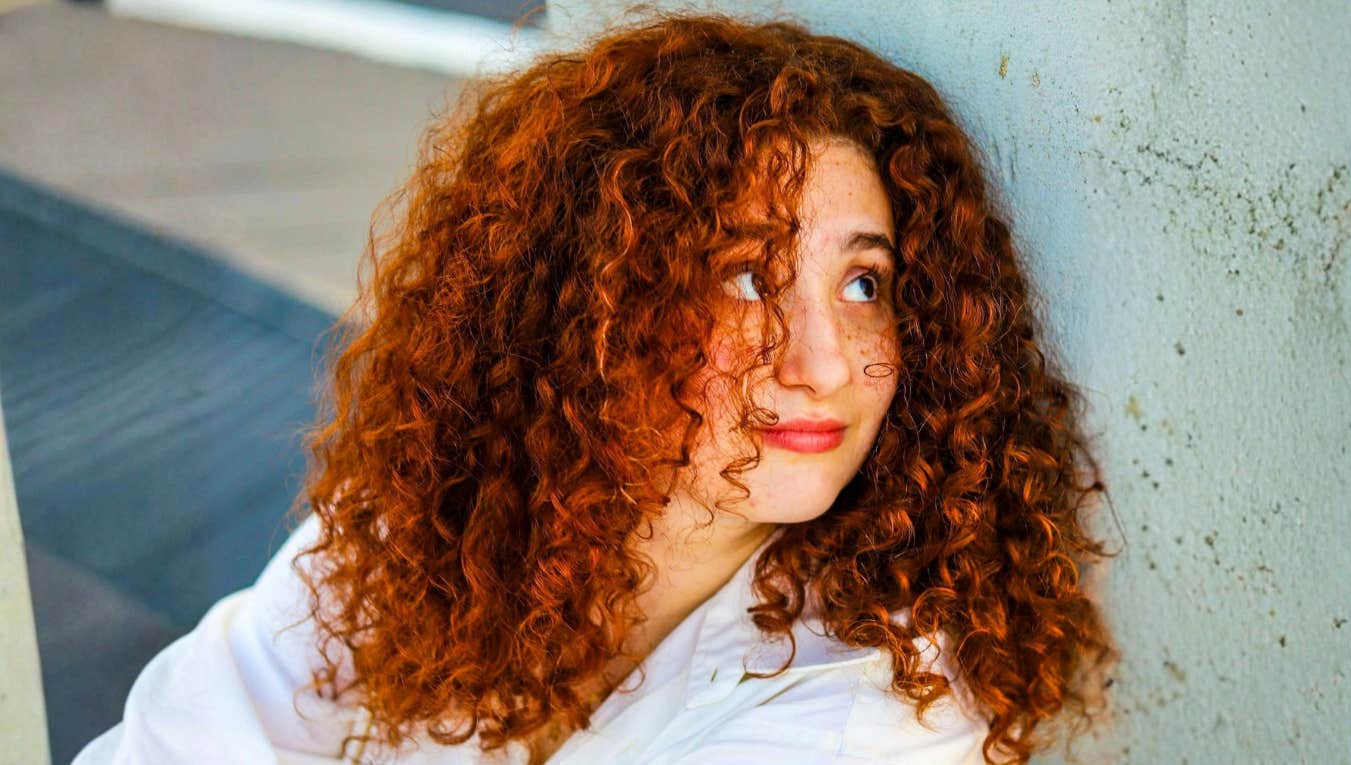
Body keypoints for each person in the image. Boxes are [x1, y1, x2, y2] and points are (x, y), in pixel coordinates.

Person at [75, 10, 1116, 765]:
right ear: (597, 305)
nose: (828, 361)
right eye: (748, 275)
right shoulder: (425, 537)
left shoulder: (875, 716)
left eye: (863, 282)